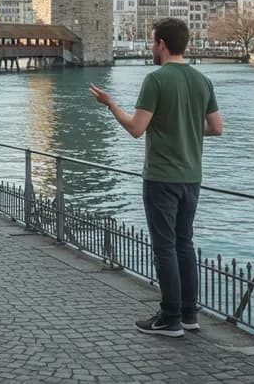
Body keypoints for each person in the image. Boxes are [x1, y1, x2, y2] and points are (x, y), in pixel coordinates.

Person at [89, 18, 223, 338]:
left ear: (161, 44)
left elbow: (136, 129)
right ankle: (189, 314)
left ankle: (169, 318)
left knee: (164, 248)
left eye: (152, 42)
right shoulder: (203, 80)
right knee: (184, 244)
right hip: (192, 177)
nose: (151, 47)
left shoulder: (156, 79)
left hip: (161, 177)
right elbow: (216, 128)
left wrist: (110, 104)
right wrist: (184, 126)